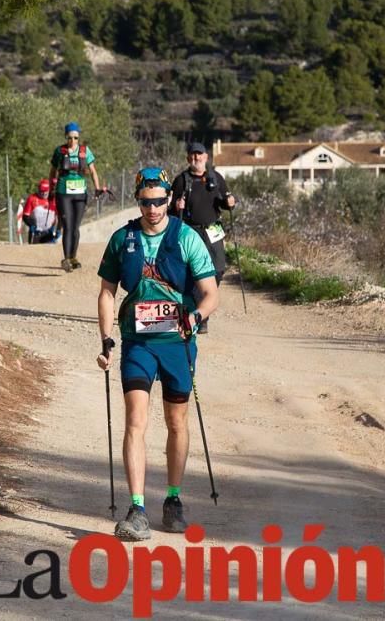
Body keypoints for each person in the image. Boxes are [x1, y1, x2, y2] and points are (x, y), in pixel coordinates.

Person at [96, 167, 220, 541]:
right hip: (137, 341)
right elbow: (106, 292)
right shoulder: (123, 239)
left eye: (160, 200)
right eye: (146, 202)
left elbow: (211, 292)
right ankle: (137, 509)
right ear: (138, 201)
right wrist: (105, 338)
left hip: (177, 342)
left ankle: (173, 498)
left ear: (169, 198)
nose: (153, 208)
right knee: (136, 420)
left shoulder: (187, 239)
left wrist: (196, 316)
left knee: (176, 422)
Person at [170, 142, 236, 334]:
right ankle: (201, 317)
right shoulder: (181, 180)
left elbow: (226, 202)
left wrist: (231, 202)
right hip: (191, 232)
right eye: (191, 156)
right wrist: (176, 206)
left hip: (214, 232)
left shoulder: (216, 178)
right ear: (187, 158)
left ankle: (203, 307)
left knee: (218, 270)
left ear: (206, 157)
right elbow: (170, 209)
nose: (195, 159)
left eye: (198, 155)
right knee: (194, 273)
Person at [49, 122, 103, 271]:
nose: (72, 141)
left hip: (80, 194)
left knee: (75, 228)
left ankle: (73, 257)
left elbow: (92, 171)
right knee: (67, 225)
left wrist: (97, 188)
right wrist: (51, 190)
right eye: (70, 137)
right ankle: (66, 259)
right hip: (63, 193)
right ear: (66, 137)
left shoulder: (85, 151)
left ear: (79, 138)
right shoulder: (59, 151)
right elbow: (52, 171)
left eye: (76, 138)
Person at [21, 179, 58, 244]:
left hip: (49, 232)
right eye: (41, 191)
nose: (44, 193)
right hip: (36, 233)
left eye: (46, 191)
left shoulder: (54, 200)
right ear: (38, 190)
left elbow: (60, 216)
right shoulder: (32, 199)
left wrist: (57, 229)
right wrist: (31, 225)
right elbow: (25, 216)